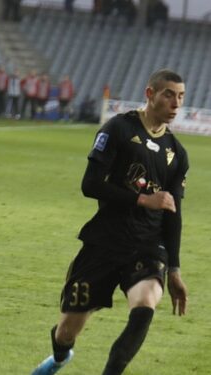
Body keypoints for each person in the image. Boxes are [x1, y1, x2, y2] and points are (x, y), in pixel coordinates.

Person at [31, 69, 189, 375]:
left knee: (145, 305)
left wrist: (174, 270)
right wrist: (143, 199)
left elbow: (173, 215)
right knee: (67, 332)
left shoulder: (177, 154)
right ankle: (60, 358)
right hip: (105, 240)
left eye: (181, 96)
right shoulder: (118, 129)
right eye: (168, 94)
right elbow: (90, 184)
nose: (175, 103)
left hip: (147, 245)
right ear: (150, 93)